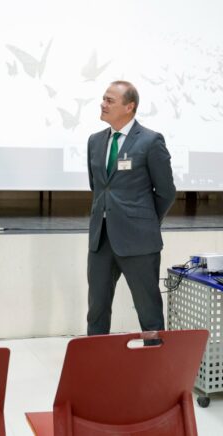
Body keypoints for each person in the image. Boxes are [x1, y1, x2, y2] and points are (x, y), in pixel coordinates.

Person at [86, 80, 176, 336]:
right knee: (96, 310)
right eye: (103, 99)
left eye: (110, 100)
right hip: (101, 240)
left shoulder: (150, 141)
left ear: (129, 107)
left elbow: (166, 192)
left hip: (139, 242)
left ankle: (155, 357)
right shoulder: (95, 141)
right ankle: (97, 357)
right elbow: (98, 187)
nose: (103, 104)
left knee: (149, 312)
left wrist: (145, 222)